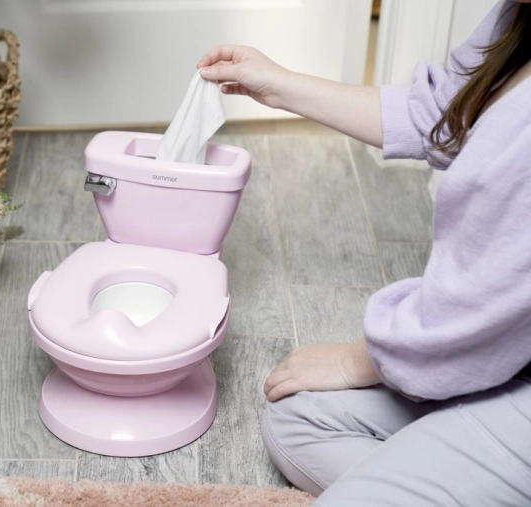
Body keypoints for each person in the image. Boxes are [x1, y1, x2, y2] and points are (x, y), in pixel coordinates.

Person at [198, 1, 531, 505]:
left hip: (504, 354)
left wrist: (355, 361)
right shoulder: (518, 18)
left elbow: (473, 311)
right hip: (514, 355)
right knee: (300, 417)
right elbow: (447, 113)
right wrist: (278, 84)